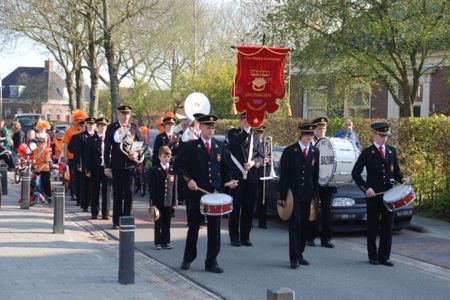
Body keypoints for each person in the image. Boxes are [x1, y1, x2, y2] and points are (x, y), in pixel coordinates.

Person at [175, 114, 237, 274]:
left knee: (214, 230)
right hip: (196, 194)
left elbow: (226, 168)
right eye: (208, 127)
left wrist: (229, 180)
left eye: (213, 127)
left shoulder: (219, 146)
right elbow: (179, 167)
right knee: (194, 227)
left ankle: (211, 261)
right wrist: (188, 180)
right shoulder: (190, 146)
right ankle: (188, 258)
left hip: (214, 195)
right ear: (201, 127)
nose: (211, 130)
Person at [352, 122, 410, 267]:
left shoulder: (391, 151)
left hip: (389, 196)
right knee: (372, 226)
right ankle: (373, 256)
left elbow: (396, 171)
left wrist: (402, 179)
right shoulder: (367, 152)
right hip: (373, 196)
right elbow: (355, 173)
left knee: (387, 226)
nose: (384, 139)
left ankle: (384, 256)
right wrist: (366, 189)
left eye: (386, 136)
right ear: (374, 135)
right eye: (381, 135)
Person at [278, 122, 320, 269]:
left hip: (307, 194)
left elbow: (315, 176)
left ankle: (300, 253)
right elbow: (284, 175)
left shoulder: (315, 151)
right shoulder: (290, 151)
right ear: (301, 134)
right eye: (307, 135)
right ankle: (293, 257)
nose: (310, 137)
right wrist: (282, 196)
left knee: (305, 226)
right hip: (292, 195)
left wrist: (316, 196)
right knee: (295, 226)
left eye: (312, 135)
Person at [104, 105, 146, 229]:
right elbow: (107, 149)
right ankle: (116, 221)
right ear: (119, 115)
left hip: (130, 166)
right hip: (117, 165)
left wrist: (137, 153)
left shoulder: (133, 127)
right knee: (117, 194)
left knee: (129, 193)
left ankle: (127, 219)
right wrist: (107, 166)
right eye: (123, 113)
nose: (126, 116)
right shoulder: (112, 128)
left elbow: (143, 142)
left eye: (127, 113)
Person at [226, 113, 263, 247]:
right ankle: (234, 237)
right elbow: (237, 142)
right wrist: (247, 129)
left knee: (249, 209)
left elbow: (261, 156)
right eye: (244, 120)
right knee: (235, 209)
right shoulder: (233, 133)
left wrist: (253, 163)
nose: (246, 122)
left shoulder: (256, 137)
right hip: (237, 177)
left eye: (248, 120)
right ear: (240, 120)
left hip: (251, 177)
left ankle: (245, 236)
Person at [306, 117, 335, 248]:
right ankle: (310, 237)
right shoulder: (310, 143)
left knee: (327, 212)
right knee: (313, 210)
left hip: (327, 183)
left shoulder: (330, 143)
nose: (322, 130)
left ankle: (326, 239)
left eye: (324, 128)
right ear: (315, 129)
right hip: (314, 182)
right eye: (319, 128)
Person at [149, 146, 177, 250]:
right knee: (158, 222)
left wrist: (175, 200)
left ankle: (166, 241)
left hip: (168, 201)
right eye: (164, 156)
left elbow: (175, 187)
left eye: (168, 156)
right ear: (159, 157)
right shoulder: (155, 170)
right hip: (158, 200)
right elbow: (152, 188)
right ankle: (158, 242)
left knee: (167, 222)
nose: (166, 159)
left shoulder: (172, 170)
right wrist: (152, 202)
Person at [85, 117, 110, 220]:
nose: (102, 127)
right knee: (94, 191)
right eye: (100, 126)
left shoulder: (110, 139)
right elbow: (87, 156)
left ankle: (105, 213)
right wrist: (87, 169)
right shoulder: (91, 140)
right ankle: (94, 212)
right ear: (97, 127)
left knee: (107, 191)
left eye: (104, 126)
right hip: (95, 168)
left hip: (107, 168)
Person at [69, 117, 96, 212]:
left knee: (93, 185)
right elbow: (75, 150)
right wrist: (79, 164)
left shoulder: (97, 135)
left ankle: (93, 203)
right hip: (83, 163)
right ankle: (84, 203)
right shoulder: (78, 137)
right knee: (83, 183)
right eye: (88, 124)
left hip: (94, 163)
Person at [63, 110, 87, 202]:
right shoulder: (69, 131)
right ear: (74, 120)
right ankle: (73, 193)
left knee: (82, 177)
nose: (78, 121)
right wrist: (65, 156)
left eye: (81, 120)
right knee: (73, 176)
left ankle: (81, 194)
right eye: (77, 119)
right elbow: (65, 144)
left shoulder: (85, 131)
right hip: (72, 157)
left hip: (83, 158)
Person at [253, 125, 270, 229]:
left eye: (261, 132)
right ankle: (250, 220)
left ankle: (262, 221)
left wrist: (269, 160)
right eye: (258, 132)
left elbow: (271, 157)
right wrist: (260, 162)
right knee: (253, 197)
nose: (260, 134)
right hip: (255, 171)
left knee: (264, 198)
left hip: (265, 173)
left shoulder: (267, 143)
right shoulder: (252, 143)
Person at [32, 137, 52, 203]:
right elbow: (35, 158)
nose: (40, 145)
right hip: (37, 168)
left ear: (44, 144)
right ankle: (33, 196)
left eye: (42, 144)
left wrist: (40, 168)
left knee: (46, 183)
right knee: (33, 182)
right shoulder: (35, 150)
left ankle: (49, 196)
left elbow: (46, 162)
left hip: (45, 168)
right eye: (39, 144)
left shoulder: (47, 151)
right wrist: (40, 152)